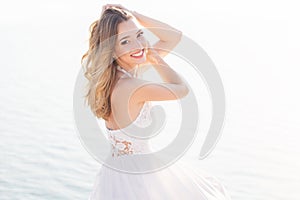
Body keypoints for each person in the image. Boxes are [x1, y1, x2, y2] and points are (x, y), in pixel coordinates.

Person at [82, 4, 231, 200]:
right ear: (111, 49)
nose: (136, 45)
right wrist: (152, 55)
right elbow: (181, 89)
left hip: (116, 172)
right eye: (125, 41)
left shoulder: (118, 76)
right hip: (140, 177)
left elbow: (174, 36)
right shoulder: (131, 87)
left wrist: (133, 15)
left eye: (139, 35)